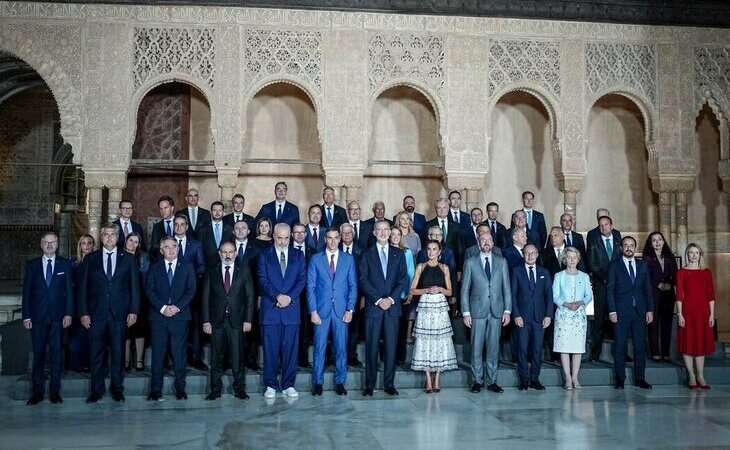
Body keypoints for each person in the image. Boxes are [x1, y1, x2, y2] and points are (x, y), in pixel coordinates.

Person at [78, 224, 140, 403]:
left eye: (113, 234)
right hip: (96, 314)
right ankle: (96, 390)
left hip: (119, 314)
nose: (109, 238)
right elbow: (83, 289)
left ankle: (117, 389)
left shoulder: (128, 259)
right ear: (101, 236)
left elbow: (134, 288)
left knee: (118, 354)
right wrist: (83, 312)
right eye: (106, 234)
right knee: (96, 353)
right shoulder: (91, 259)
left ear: (118, 236)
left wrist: (134, 311)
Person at [22, 231, 74, 405]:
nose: (50, 245)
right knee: (38, 355)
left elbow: (69, 292)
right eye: (46, 242)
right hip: (37, 317)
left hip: (58, 317)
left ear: (57, 244)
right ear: (41, 244)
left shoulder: (65, 264)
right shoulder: (32, 265)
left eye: (53, 243)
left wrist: (68, 313)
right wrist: (26, 316)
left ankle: (54, 392)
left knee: (56, 355)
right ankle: (37, 393)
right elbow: (27, 293)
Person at [258, 223, 307, 398]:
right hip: (271, 310)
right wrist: (277, 296)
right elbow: (262, 280)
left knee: (290, 351)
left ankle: (288, 385)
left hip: (291, 311)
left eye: (287, 238)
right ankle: (270, 385)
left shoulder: (298, 255)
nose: (283, 241)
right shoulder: (264, 255)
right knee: (270, 351)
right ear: (273, 236)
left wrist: (289, 297)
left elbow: (302, 280)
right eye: (280, 237)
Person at [145, 236, 196, 401]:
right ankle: (155, 390)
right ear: (161, 250)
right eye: (167, 247)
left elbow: (191, 290)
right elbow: (149, 290)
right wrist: (162, 308)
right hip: (159, 318)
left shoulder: (187, 267)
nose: (171, 250)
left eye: (174, 246)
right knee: (158, 354)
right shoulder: (154, 267)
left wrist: (177, 307)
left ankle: (180, 388)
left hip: (179, 317)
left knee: (179, 354)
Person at [202, 241, 255, 400]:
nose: (227, 255)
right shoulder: (212, 271)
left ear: (235, 253)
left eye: (231, 252)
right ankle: (215, 390)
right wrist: (206, 321)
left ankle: (239, 389)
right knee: (216, 357)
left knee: (238, 358)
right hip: (216, 321)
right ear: (219, 253)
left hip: (237, 322)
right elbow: (205, 298)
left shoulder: (244, 270)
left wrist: (248, 320)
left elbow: (250, 296)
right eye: (224, 252)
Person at [307, 228, 357, 396]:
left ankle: (340, 381)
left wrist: (350, 308)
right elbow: (311, 287)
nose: (333, 241)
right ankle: (317, 382)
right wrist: (313, 311)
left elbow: (353, 286)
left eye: (336, 237)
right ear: (325, 239)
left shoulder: (348, 259)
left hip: (341, 311)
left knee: (341, 348)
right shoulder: (315, 259)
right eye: (330, 238)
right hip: (321, 311)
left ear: (340, 238)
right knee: (319, 348)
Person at [359, 221, 407, 396]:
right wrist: (379, 300)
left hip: (392, 308)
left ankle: (389, 384)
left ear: (390, 232)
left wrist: (391, 299)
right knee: (371, 347)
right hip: (374, 307)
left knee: (391, 347)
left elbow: (402, 279)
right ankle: (369, 385)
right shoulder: (367, 254)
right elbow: (363, 280)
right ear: (374, 232)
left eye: (386, 229)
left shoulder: (399, 254)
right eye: (379, 230)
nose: (383, 232)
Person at [461, 233, 511, 394]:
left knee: (493, 346)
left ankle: (492, 381)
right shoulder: (470, 262)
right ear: (478, 243)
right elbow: (465, 290)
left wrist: (508, 310)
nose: (486, 242)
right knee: (476, 347)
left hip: (496, 310)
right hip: (477, 310)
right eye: (483, 240)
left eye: (489, 240)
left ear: (493, 242)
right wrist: (466, 312)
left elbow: (506, 288)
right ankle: (477, 380)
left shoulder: (501, 261)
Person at [410, 240, 458, 393]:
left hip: (440, 308)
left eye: (434, 249)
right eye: (429, 249)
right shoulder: (420, 267)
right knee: (425, 341)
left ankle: (436, 377)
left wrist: (439, 289)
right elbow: (412, 290)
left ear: (440, 251)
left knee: (440, 341)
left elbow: (450, 291)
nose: (431, 252)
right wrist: (426, 290)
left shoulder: (444, 268)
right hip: (425, 307)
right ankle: (427, 379)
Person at [607, 236, 654, 390]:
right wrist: (612, 310)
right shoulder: (614, 266)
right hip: (621, 312)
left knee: (640, 347)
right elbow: (610, 291)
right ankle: (620, 379)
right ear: (621, 248)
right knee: (620, 346)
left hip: (640, 312)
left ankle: (640, 378)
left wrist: (650, 310)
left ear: (635, 247)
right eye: (626, 245)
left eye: (631, 245)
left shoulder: (643, 265)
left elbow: (648, 289)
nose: (629, 248)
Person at [511, 244, 553, 390]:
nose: (530, 256)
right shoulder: (516, 272)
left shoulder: (544, 272)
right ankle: (524, 379)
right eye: (527, 253)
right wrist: (516, 314)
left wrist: (548, 315)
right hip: (522, 318)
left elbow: (549, 296)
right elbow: (513, 296)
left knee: (537, 349)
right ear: (523, 255)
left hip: (539, 318)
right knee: (522, 349)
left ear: (537, 255)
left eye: (533, 253)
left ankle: (535, 378)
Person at [676, 243, 717, 389]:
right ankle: (692, 376)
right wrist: (680, 314)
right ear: (687, 255)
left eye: (696, 253)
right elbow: (679, 296)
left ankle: (700, 375)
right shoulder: (681, 272)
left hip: (703, 312)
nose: (694, 255)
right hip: (687, 311)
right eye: (691, 252)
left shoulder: (706, 272)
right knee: (688, 344)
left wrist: (712, 315)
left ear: (700, 255)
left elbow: (711, 295)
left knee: (700, 344)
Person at [552, 247, 592, 390]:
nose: (572, 260)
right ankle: (567, 378)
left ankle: (575, 377)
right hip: (564, 315)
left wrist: (581, 302)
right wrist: (566, 304)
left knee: (577, 348)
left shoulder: (584, 276)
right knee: (564, 347)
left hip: (579, 316)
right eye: (569, 257)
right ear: (564, 259)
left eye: (574, 257)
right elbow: (555, 296)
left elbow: (589, 295)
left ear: (578, 259)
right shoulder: (559, 276)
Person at [172, 214, 208, 371]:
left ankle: (196, 358)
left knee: (195, 326)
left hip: (192, 294)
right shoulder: (168, 244)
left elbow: (202, 266)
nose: (179, 227)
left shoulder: (196, 245)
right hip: (171, 294)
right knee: (174, 327)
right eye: (176, 224)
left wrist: (189, 279)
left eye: (182, 224)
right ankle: (174, 359)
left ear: (187, 227)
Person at [586, 215, 622, 361]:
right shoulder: (594, 241)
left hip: (618, 287)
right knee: (599, 320)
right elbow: (592, 263)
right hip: (601, 285)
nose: (603, 227)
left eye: (606, 224)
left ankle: (621, 352)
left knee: (618, 321)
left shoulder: (619, 239)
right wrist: (605, 278)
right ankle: (595, 353)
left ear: (611, 226)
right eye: (600, 225)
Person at [642, 232, 678, 361]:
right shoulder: (647, 258)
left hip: (668, 295)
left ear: (663, 241)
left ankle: (666, 353)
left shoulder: (670, 257)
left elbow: (676, 275)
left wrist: (669, 284)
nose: (657, 242)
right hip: (653, 294)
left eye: (660, 239)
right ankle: (655, 352)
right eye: (654, 240)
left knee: (666, 324)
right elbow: (644, 277)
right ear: (650, 243)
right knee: (653, 324)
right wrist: (658, 284)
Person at [291, 222, 317, 368]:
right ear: (292, 235)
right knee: (291, 328)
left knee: (305, 329)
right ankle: (290, 358)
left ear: (306, 234)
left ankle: (303, 358)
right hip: (290, 296)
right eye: (296, 232)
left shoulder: (313, 252)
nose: (300, 234)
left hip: (307, 296)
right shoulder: (286, 250)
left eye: (302, 232)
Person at [123, 232, 150, 372]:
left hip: (141, 298)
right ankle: (126, 360)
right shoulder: (120, 256)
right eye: (130, 241)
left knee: (140, 329)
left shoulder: (144, 257)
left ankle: (139, 360)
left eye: (136, 242)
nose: (133, 244)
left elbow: (147, 279)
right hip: (123, 299)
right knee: (126, 330)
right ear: (126, 241)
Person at [389, 227, 415, 365]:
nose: (395, 236)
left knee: (401, 328)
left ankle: (400, 357)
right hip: (387, 296)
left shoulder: (407, 252)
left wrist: (410, 293)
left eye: (398, 234)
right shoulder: (384, 250)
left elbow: (411, 273)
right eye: (392, 234)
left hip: (402, 295)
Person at [339, 223, 364, 367]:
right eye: (344, 233)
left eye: (350, 232)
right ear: (340, 235)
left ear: (354, 235)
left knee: (354, 327)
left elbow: (363, 276)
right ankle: (335, 355)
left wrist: (362, 297)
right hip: (338, 295)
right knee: (338, 326)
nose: (347, 235)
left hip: (356, 295)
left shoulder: (361, 251)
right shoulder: (333, 250)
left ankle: (351, 356)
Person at [69, 235, 94, 372]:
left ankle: (88, 364)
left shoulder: (98, 262)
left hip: (93, 304)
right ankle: (75, 365)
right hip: (77, 304)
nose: (87, 245)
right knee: (77, 335)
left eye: (89, 243)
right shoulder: (73, 263)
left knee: (90, 335)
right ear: (79, 246)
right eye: (83, 243)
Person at [422, 198, 460, 262]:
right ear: (435, 209)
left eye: (444, 207)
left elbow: (459, 248)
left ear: (448, 209)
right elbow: (425, 245)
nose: (442, 210)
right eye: (439, 208)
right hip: (433, 262)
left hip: (452, 262)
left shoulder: (456, 226)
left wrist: (459, 269)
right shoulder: (428, 225)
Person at [198, 201, 233, 269]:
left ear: (223, 212)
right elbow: (200, 251)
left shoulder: (230, 229)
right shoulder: (203, 230)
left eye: (220, 210)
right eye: (215, 210)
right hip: (208, 267)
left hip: (226, 266)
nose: (217, 213)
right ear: (211, 212)